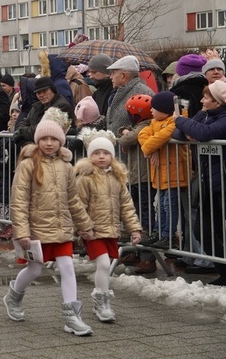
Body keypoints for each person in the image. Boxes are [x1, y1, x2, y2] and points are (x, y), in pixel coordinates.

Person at [4, 108, 95, 336]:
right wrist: (22, 231)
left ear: (61, 141)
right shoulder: (28, 165)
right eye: (44, 138)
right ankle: (13, 296)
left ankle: (71, 316)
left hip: (61, 227)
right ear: (37, 140)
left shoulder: (66, 167)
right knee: (34, 270)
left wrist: (85, 225)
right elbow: (19, 199)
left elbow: (73, 199)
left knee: (67, 267)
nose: (48, 143)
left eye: (53, 139)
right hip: (36, 229)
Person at [75, 131, 142, 322]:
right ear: (90, 155)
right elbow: (78, 205)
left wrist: (134, 228)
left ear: (112, 155)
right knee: (104, 264)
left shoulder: (117, 178)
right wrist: (83, 228)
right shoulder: (85, 178)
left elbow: (126, 206)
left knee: (105, 266)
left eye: (105, 152)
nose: (101, 156)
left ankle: (102, 300)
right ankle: (102, 303)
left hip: (110, 230)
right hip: (93, 231)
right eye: (96, 153)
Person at [172, 80, 226, 284]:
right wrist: (188, 130)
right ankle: (223, 270)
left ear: (218, 102)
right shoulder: (204, 115)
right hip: (207, 183)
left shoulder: (223, 117)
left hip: (222, 181)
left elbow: (204, 133)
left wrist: (181, 122)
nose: (202, 100)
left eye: (207, 97)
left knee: (217, 229)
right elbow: (176, 134)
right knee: (201, 230)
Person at [138, 92, 190, 253]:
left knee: (169, 205)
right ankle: (158, 232)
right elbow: (142, 134)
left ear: (165, 109)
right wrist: (154, 146)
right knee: (161, 205)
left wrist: (151, 147)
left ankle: (168, 235)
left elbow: (164, 134)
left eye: (154, 108)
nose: (151, 111)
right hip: (161, 174)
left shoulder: (175, 122)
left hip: (174, 173)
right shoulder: (155, 122)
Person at [117, 95, 155, 266]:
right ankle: (136, 251)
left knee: (144, 214)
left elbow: (126, 138)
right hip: (136, 177)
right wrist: (124, 130)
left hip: (143, 177)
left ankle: (147, 257)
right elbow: (126, 134)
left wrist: (124, 134)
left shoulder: (144, 127)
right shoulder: (140, 126)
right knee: (135, 212)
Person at [13, 77, 73, 148]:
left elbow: (44, 129)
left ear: (52, 90)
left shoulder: (62, 105)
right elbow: (24, 122)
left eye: (44, 91)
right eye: (38, 93)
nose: (41, 95)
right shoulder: (36, 106)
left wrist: (22, 132)